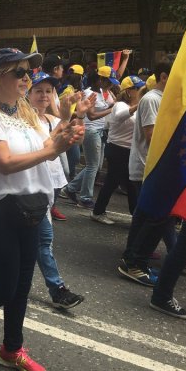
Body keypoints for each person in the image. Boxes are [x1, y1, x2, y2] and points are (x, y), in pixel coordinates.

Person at [0, 48, 84, 371]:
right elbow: (5, 163)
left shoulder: (26, 112)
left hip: (32, 207)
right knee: (3, 288)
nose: (28, 78)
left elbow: (45, 146)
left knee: (22, 287)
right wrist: (51, 149)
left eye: (29, 72)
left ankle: (12, 348)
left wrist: (64, 134)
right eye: (20, 73)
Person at [27, 71, 87, 309]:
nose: (44, 96)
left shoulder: (51, 120)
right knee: (43, 240)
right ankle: (57, 288)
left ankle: (14, 279)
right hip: (30, 188)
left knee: (38, 242)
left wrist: (79, 116)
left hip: (48, 185)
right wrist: (63, 124)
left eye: (48, 91)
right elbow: (41, 149)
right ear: (28, 94)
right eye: (38, 91)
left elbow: (76, 140)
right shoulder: (25, 121)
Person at [119, 60, 175, 286]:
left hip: (156, 167)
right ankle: (136, 264)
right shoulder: (152, 99)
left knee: (144, 216)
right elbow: (152, 136)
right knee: (155, 217)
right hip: (149, 167)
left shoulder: (163, 99)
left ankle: (131, 259)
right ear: (163, 76)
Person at [90, 75, 144, 224]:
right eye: (138, 88)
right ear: (128, 91)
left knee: (131, 183)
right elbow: (120, 116)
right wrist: (138, 106)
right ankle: (98, 212)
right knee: (113, 181)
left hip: (129, 150)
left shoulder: (138, 107)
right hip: (118, 149)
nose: (142, 91)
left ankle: (136, 215)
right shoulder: (120, 105)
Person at [61, 66, 117, 209]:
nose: (110, 85)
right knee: (92, 166)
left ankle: (71, 188)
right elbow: (91, 116)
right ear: (99, 79)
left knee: (96, 166)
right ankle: (85, 197)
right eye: (108, 82)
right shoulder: (88, 93)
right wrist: (111, 109)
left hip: (101, 131)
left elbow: (114, 102)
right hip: (91, 131)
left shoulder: (105, 92)